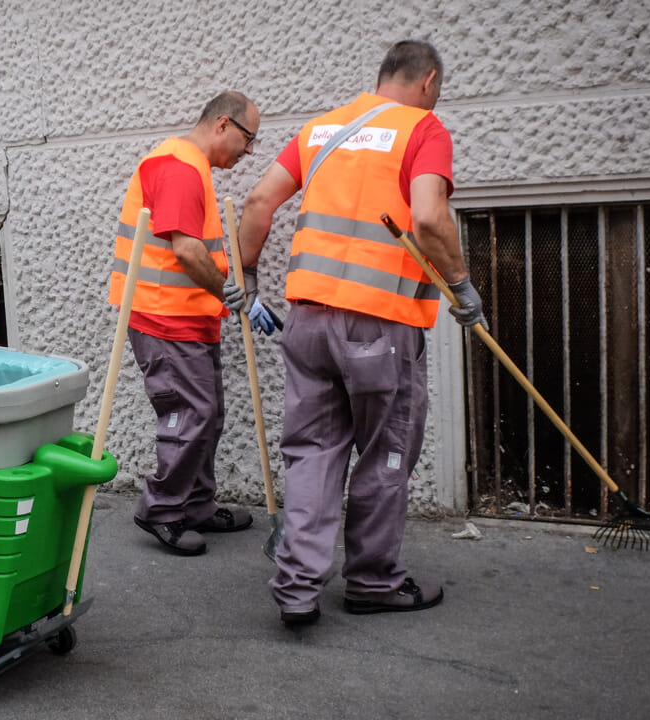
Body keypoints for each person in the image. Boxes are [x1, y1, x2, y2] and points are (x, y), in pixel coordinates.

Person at [230, 40, 486, 626]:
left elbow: (258, 200)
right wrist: (462, 284)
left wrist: (246, 275)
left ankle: (296, 588)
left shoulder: (321, 130)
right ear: (428, 81)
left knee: (315, 454)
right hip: (379, 326)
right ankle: (372, 581)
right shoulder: (423, 128)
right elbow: (427, 217)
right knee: (384, 452)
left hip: (308, 321)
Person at [109, 91, 271, 556]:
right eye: (248, 139)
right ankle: (161, 510)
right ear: (223, 125)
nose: (248, 151)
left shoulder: (191, 166)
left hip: (186, 319)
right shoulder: (179, 166)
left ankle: (195, 504)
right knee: (191, 416)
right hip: (165, 319)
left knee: (206, 415)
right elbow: (185, 250)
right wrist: (229, 292)